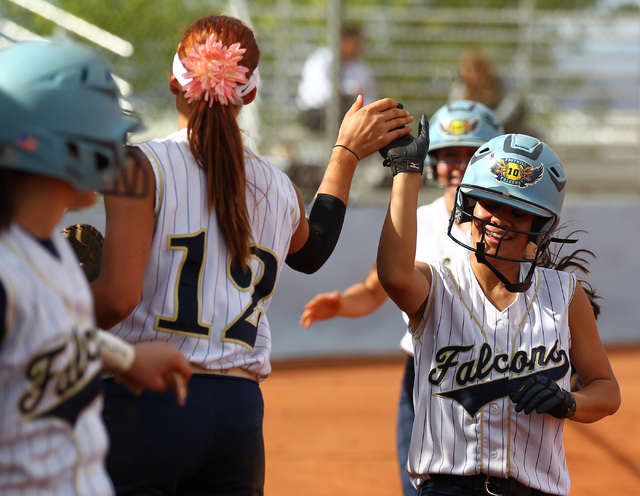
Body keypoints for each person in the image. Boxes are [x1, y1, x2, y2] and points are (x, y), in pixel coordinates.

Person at [89, 14, 413, 496]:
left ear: (175, 81)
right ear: (251, 94)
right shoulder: (277, 186)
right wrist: (343, 155)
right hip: (237, 414)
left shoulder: (141, 165)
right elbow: (313, 250)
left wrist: (64, 292)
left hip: (147, 400)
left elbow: (116, 300)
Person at [376, 125, 620, 495]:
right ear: (469, 204)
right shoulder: (436, 284)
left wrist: (569, 402)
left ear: (539, 226)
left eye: (519, 213)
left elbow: (606, 390)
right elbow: (393, 276)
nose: (500, 220)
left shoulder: (565, 295)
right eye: (490, 203)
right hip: (447, 486)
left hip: (534, 487)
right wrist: (407, 173)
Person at [0, 39, 192, 495]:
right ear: (47, 147)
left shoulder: (48, 249)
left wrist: (126, 358)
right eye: (98, 132)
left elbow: (50, 335)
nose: (116, 145)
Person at [300, 100, 504, 496]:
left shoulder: (506, 231)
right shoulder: (419, 219)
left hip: (494, 369)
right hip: (424, 377)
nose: (458, 165)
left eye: (471, 153)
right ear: (432, 161)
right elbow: (378, 287)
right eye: (448, 155)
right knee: (420, 483)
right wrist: (342, 302)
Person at [296, 26, 377, 132]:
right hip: (316, 113)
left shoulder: (360, 67)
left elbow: (370, 97)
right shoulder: (320, 59)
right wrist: (352, 89)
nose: (356, 48)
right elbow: (321, 94)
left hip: (349, 111)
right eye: (353, 43)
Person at [450, 49, 537, 137]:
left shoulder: (501, 84)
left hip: (504, 130)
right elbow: (455, 113)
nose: (466, 75)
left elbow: (512, 106)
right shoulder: (461, 90)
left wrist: (487, 124)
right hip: (473, 132)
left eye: (470, 70)